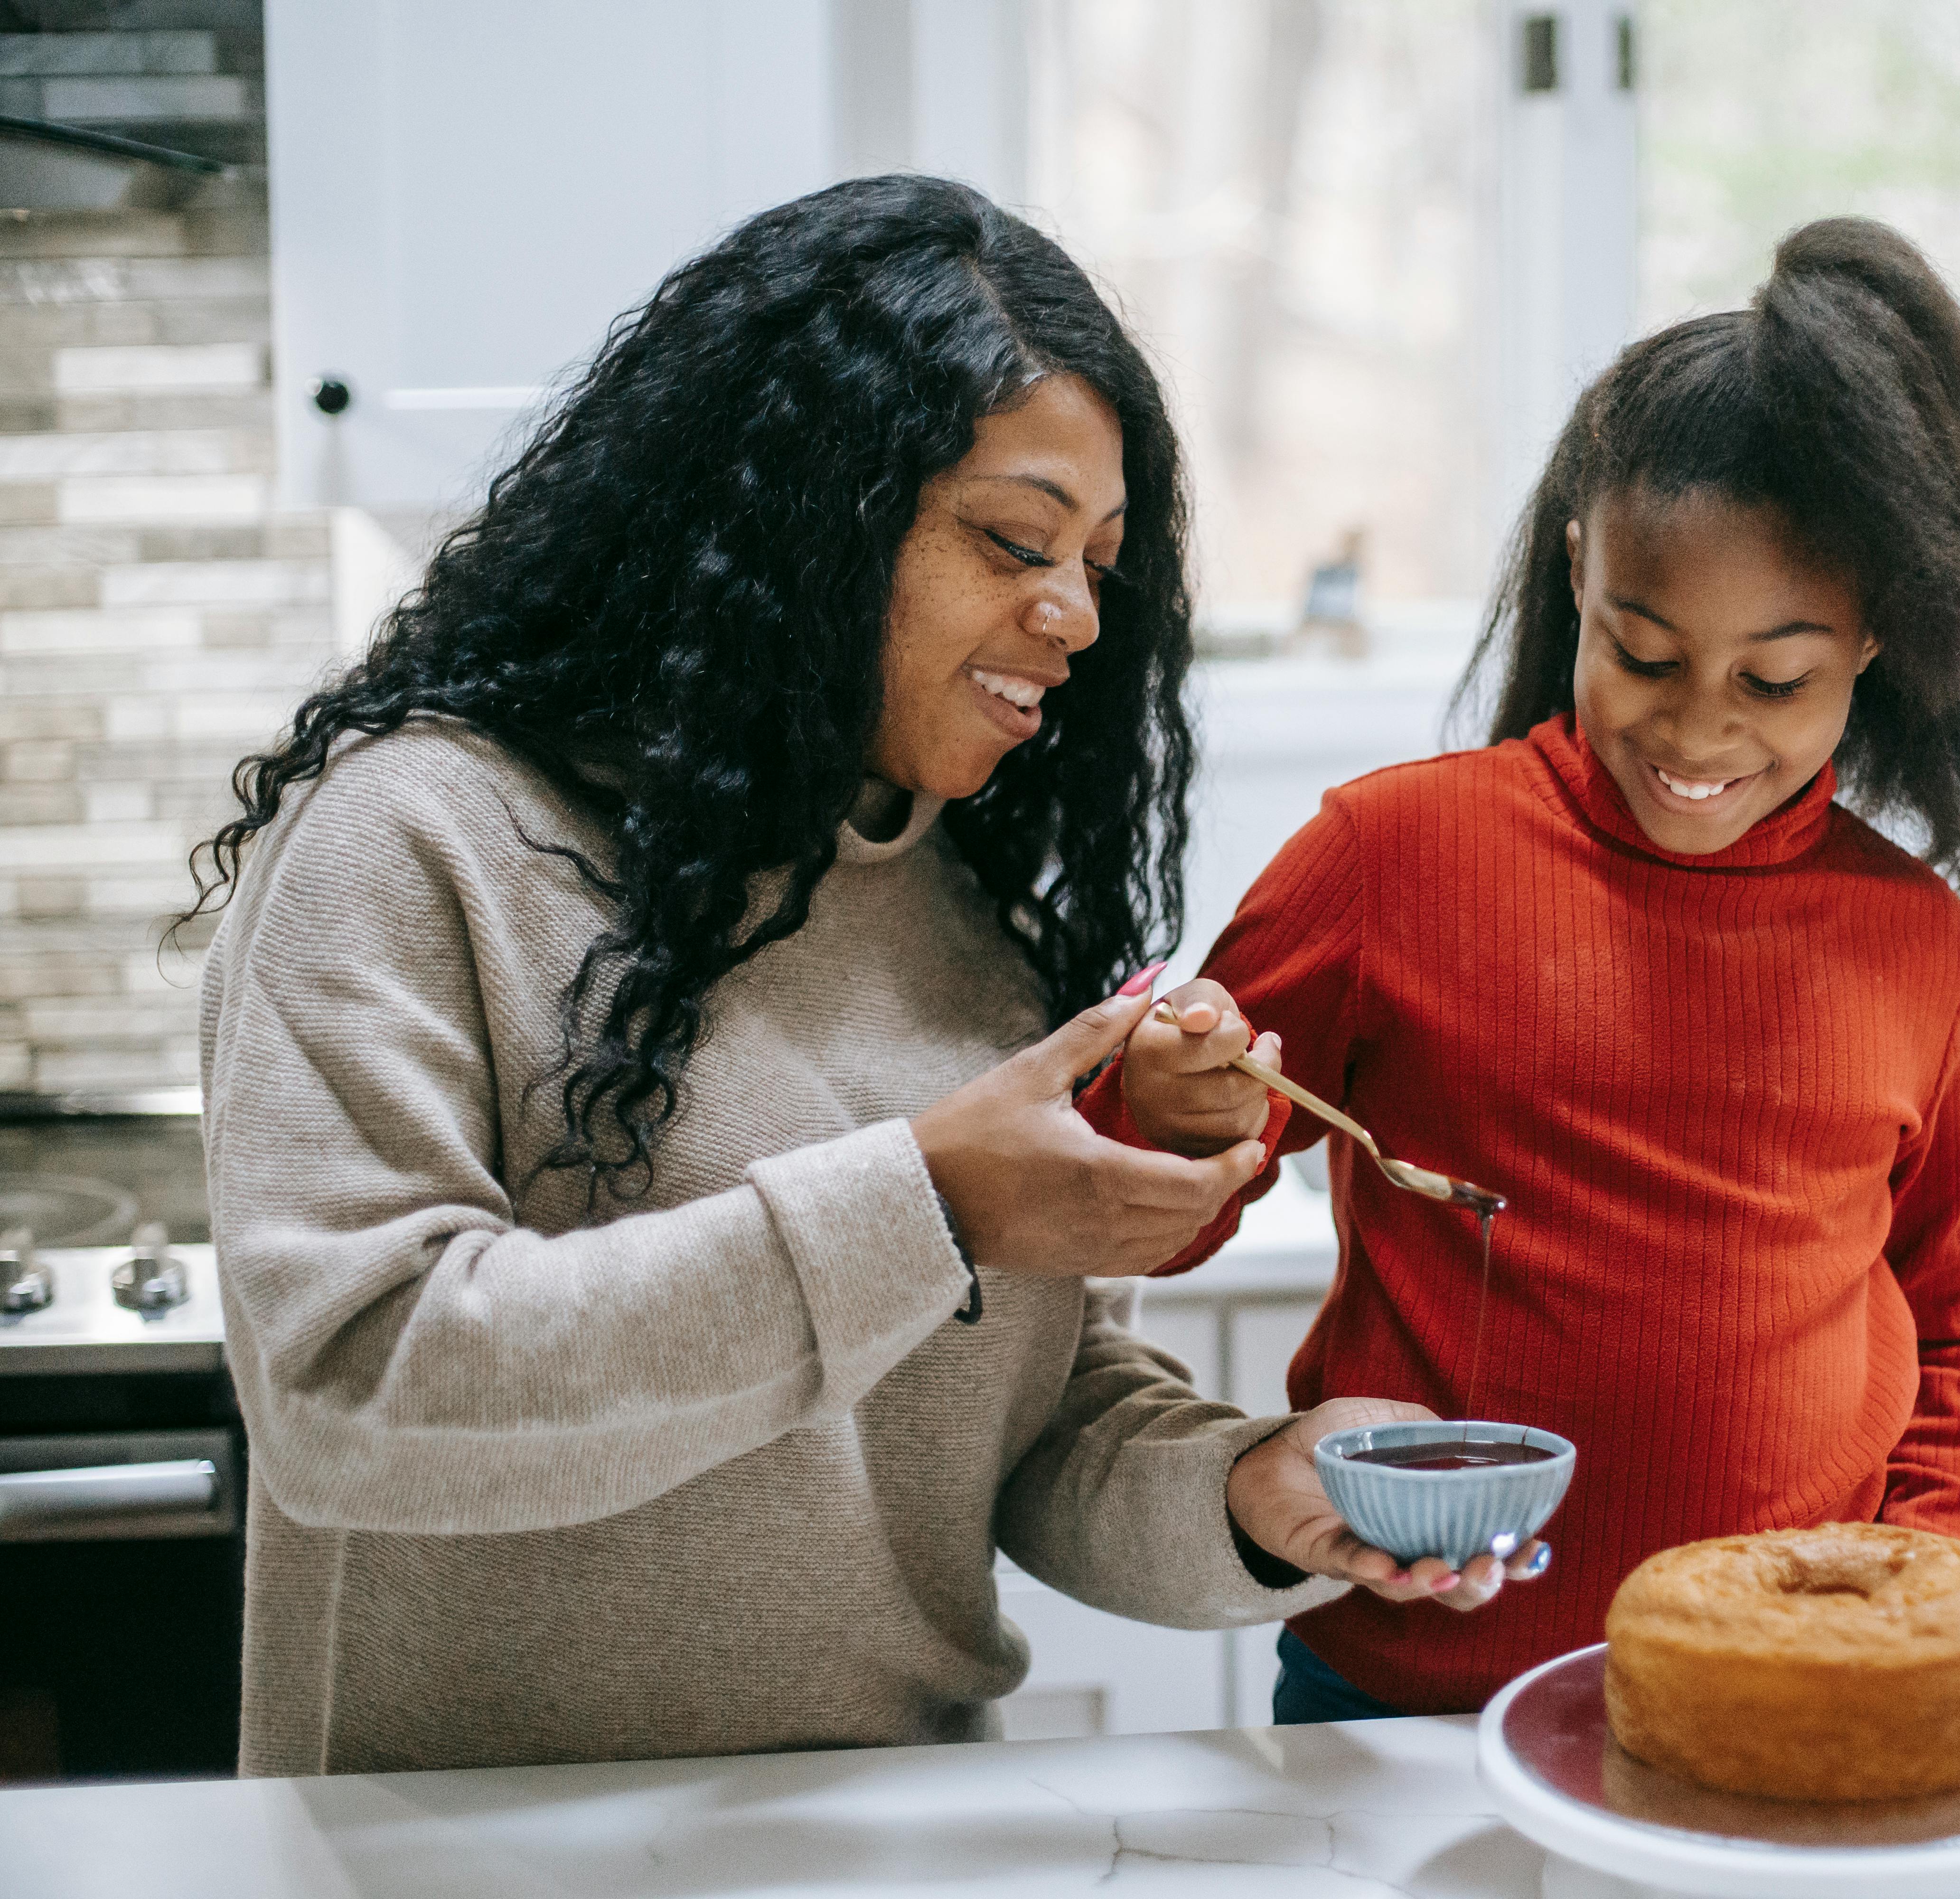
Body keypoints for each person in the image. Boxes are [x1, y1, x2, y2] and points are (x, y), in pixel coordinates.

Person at [189, 176, 1530, 1778]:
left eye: (1102, 561)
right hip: (460, 1857)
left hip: (883, 1832)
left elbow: (1020, 1419)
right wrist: (934, 1205)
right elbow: (358, 1394)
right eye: (1012, 541)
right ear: (799, 514)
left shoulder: (965, 919)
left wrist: (1250, 1495)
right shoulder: (418, 839)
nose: (1076, 614)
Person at [1090, 217, 1960, 1720]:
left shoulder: (1915, 939)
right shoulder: (1388, 856)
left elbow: (1947, 1315)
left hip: (1780, 1691)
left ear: (1874, 639)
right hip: (1409, 1696)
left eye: (1776, 679)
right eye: (1645, 654)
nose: (1700, 730)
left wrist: (1936, 1587)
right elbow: (1142, 1210)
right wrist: (1170, 1097)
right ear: (1579, 569)